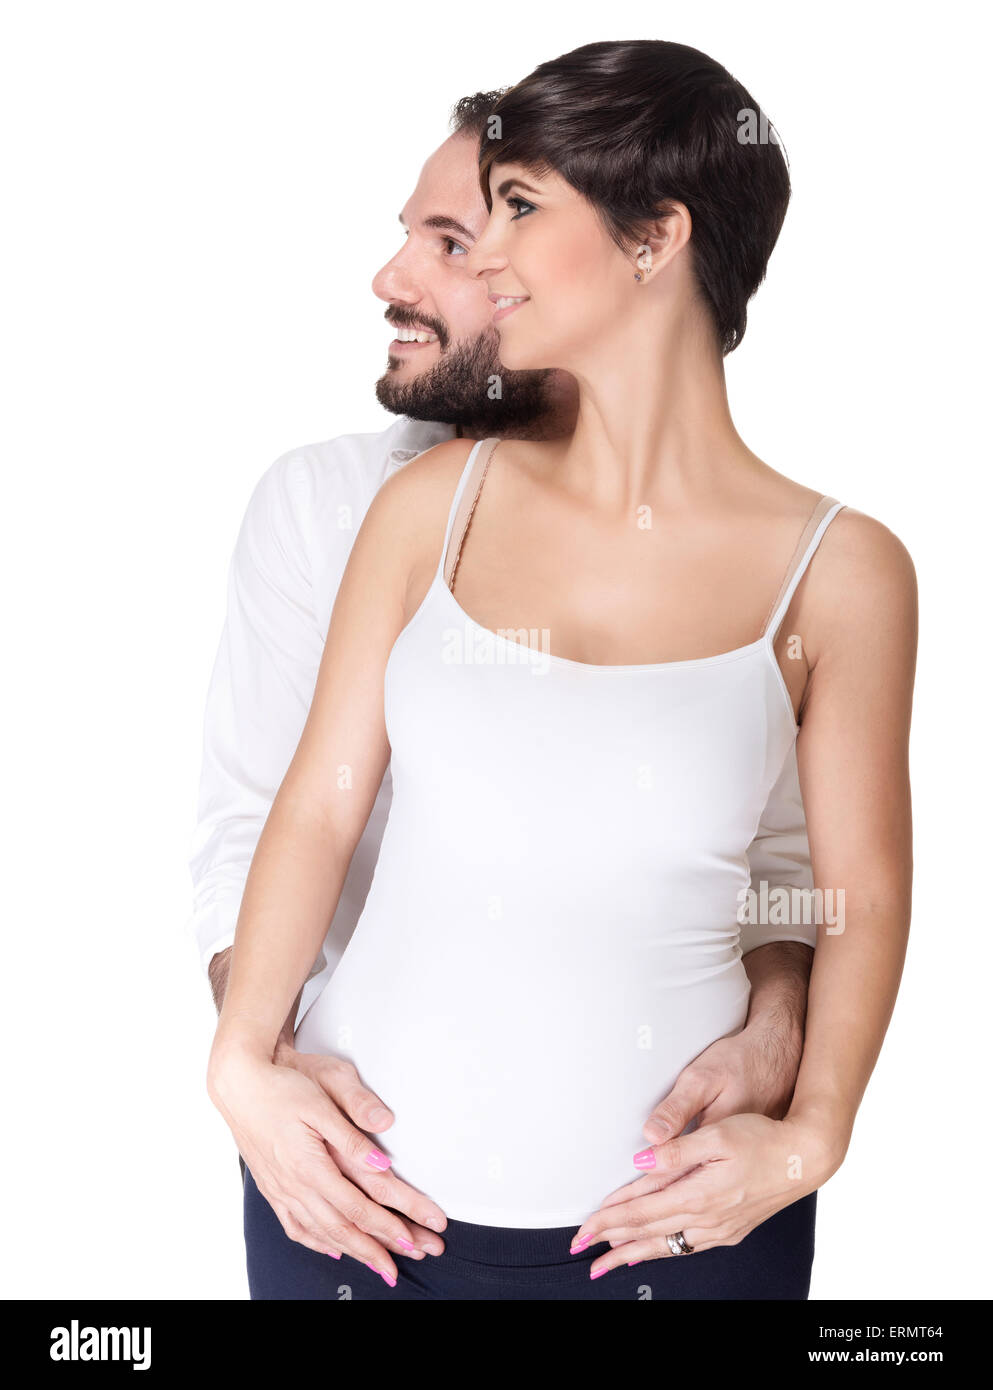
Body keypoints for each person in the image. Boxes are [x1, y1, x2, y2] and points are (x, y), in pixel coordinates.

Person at [196, 45, 906, 1298]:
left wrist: (813, 1124)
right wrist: (240, 1063)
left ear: (654, 241)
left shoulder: (841, 571)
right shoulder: (403, 505)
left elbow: (841, 887)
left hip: (681, 1225)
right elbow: (298, 804)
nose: (485, 260)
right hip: (360, 1213)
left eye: (514, 211)